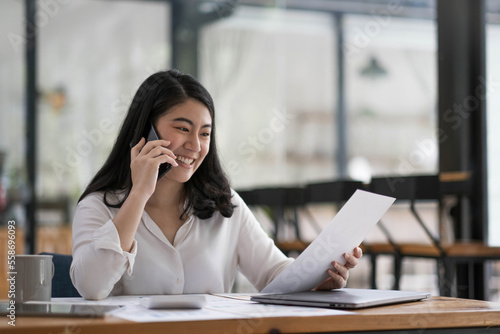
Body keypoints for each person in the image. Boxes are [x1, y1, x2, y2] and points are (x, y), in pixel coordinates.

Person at [70, 70, 362, 300]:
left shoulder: (225, 205)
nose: (195, 145)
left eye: (205, 133)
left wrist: (318, 279)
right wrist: (139, 193)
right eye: (183, 129)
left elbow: (275, 274)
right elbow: (91, 287)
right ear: (146, 129)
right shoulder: (97, 206)